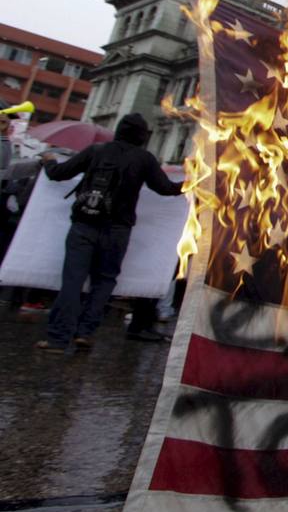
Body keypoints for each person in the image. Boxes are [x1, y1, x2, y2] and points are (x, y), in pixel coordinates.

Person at [35, 113, 184, 353]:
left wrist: (49, 160)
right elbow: (166, 189)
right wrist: (197, 180)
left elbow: (58, 173)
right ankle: (85, 333)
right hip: (118, 230)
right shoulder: (144, 159)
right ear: (142, 137)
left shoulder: (96, 151)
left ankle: (58, 338)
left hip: (84, 224)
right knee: (104, 282)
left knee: (72, 281)